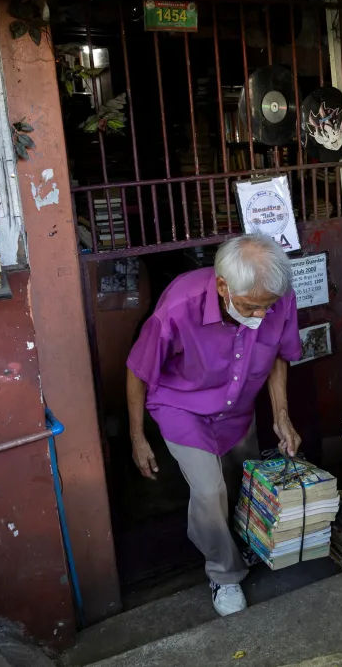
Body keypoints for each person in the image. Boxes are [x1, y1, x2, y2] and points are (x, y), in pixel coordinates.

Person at [126, 234, 303, 616]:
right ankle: (224, 575)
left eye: (267, 308)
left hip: (238, 409)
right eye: (251, 306)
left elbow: (278, 356)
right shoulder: (179, 303)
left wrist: (281, 415)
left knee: (244, 483)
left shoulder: (278, 296)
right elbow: (138, 371)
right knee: (209, 491)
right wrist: (137, 437)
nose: (260, 316)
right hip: (181, 407)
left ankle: (247, 544)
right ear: (223, 286)